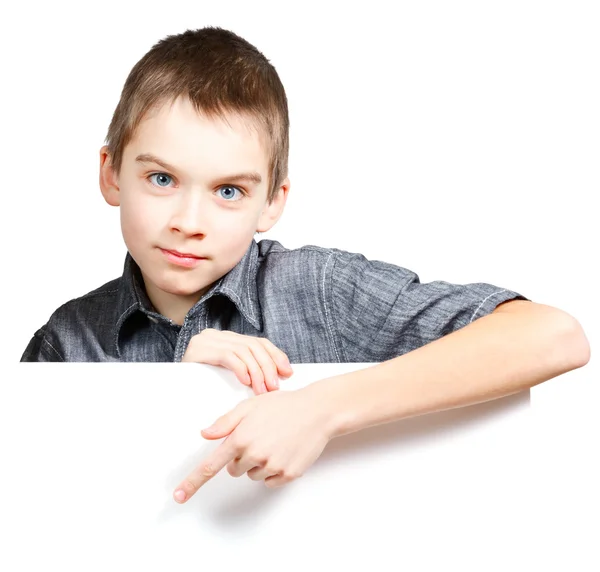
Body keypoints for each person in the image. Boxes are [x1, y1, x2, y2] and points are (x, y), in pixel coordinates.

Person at [20, 27, 590, 502]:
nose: (189, 220)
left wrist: (321, 408)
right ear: (110, 173)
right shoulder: (67, 339)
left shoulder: (317, 289)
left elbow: (553, 336)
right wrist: (178, 380)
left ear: (273, 201)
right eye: (162, 178)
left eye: (229, 191)